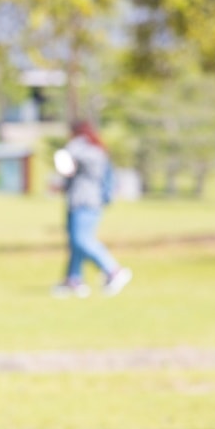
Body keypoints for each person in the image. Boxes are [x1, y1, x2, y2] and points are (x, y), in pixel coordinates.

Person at [52, 121, 132, 298]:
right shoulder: (98, 150)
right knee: (76, 243)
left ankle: (113, 270)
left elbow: (64, 164)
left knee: (82, 240)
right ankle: (73, 280)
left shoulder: (79, 147)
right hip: (94, 201)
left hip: (82, 200)